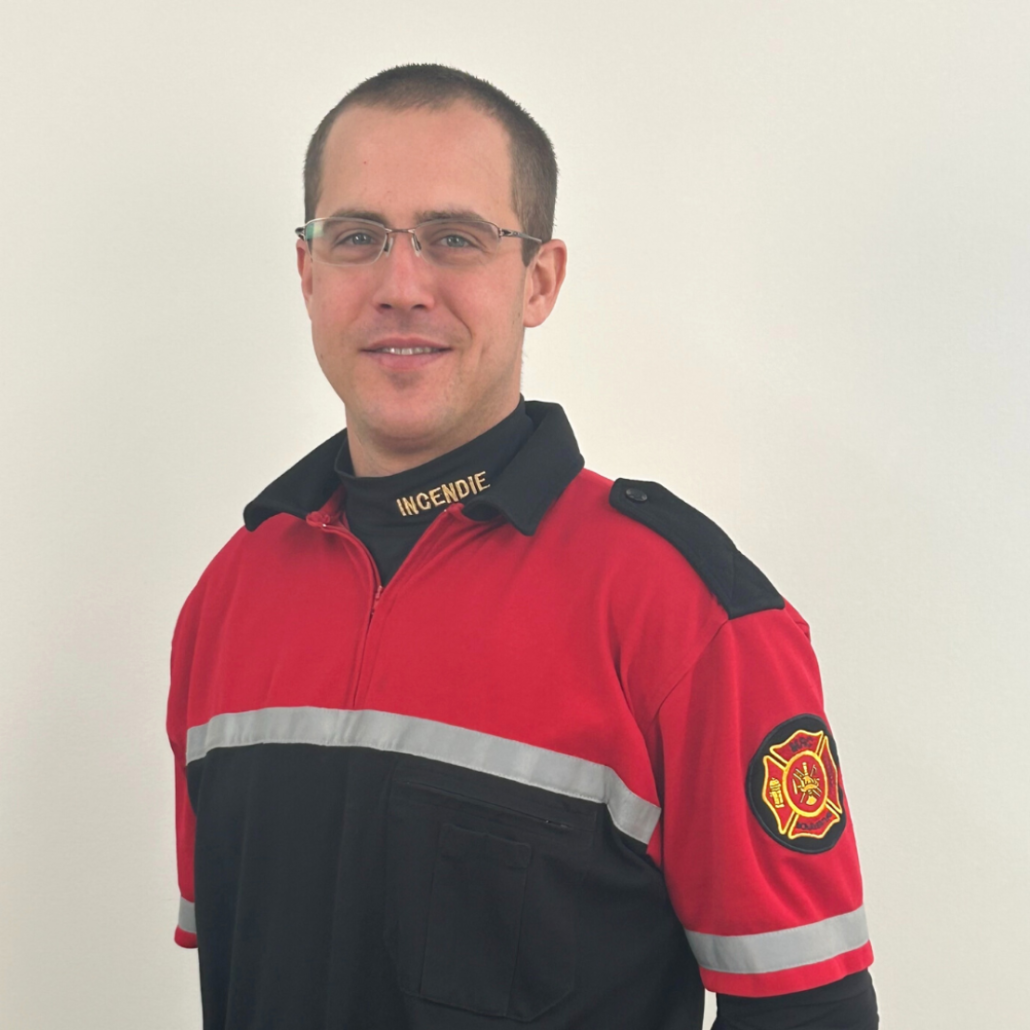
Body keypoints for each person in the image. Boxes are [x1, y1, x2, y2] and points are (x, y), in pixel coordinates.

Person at [167, 64, 878, 1030]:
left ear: (538, 281)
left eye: (454, 239)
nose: (400, 287)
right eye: (357, 237)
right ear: (307, 272)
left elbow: (812, 1014)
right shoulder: (229, 597)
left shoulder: (687, 613)